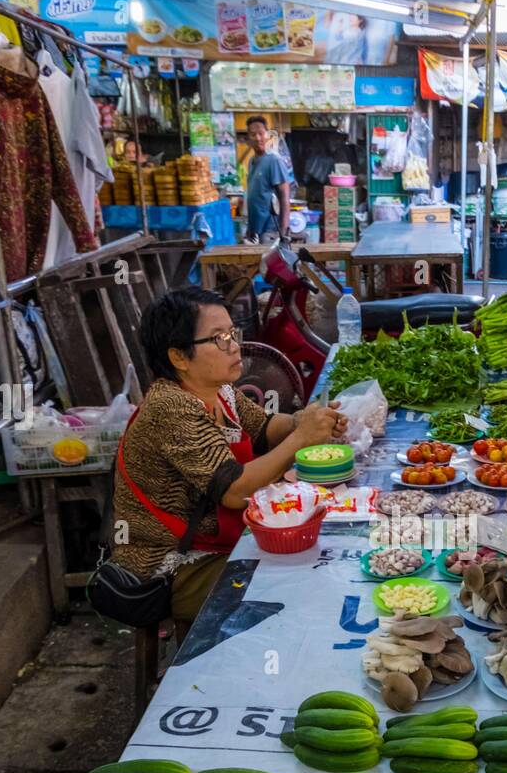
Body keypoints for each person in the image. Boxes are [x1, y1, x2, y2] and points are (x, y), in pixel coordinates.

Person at [110, 286, 344, 626]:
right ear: (178, 357)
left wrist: (304, 421)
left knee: (316, 553)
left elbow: (263, 427)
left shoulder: (219, 392)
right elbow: (234, 492)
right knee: (299, 580)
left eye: (233, 333)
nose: (234, 346)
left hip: (217, 543)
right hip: (175, 565)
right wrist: (302, 437)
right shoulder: (171, 407)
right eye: (218, 338)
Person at [245, 115, 295, 243]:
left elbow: (284, 197)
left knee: (269, 262)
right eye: (253, 134)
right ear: (248, 139)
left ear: (267, 135)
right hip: (257, 229)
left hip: (271, 229)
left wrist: (284, 231)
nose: (257, 138)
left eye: (261, 133)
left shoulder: (274, 160)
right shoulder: (252, 162)